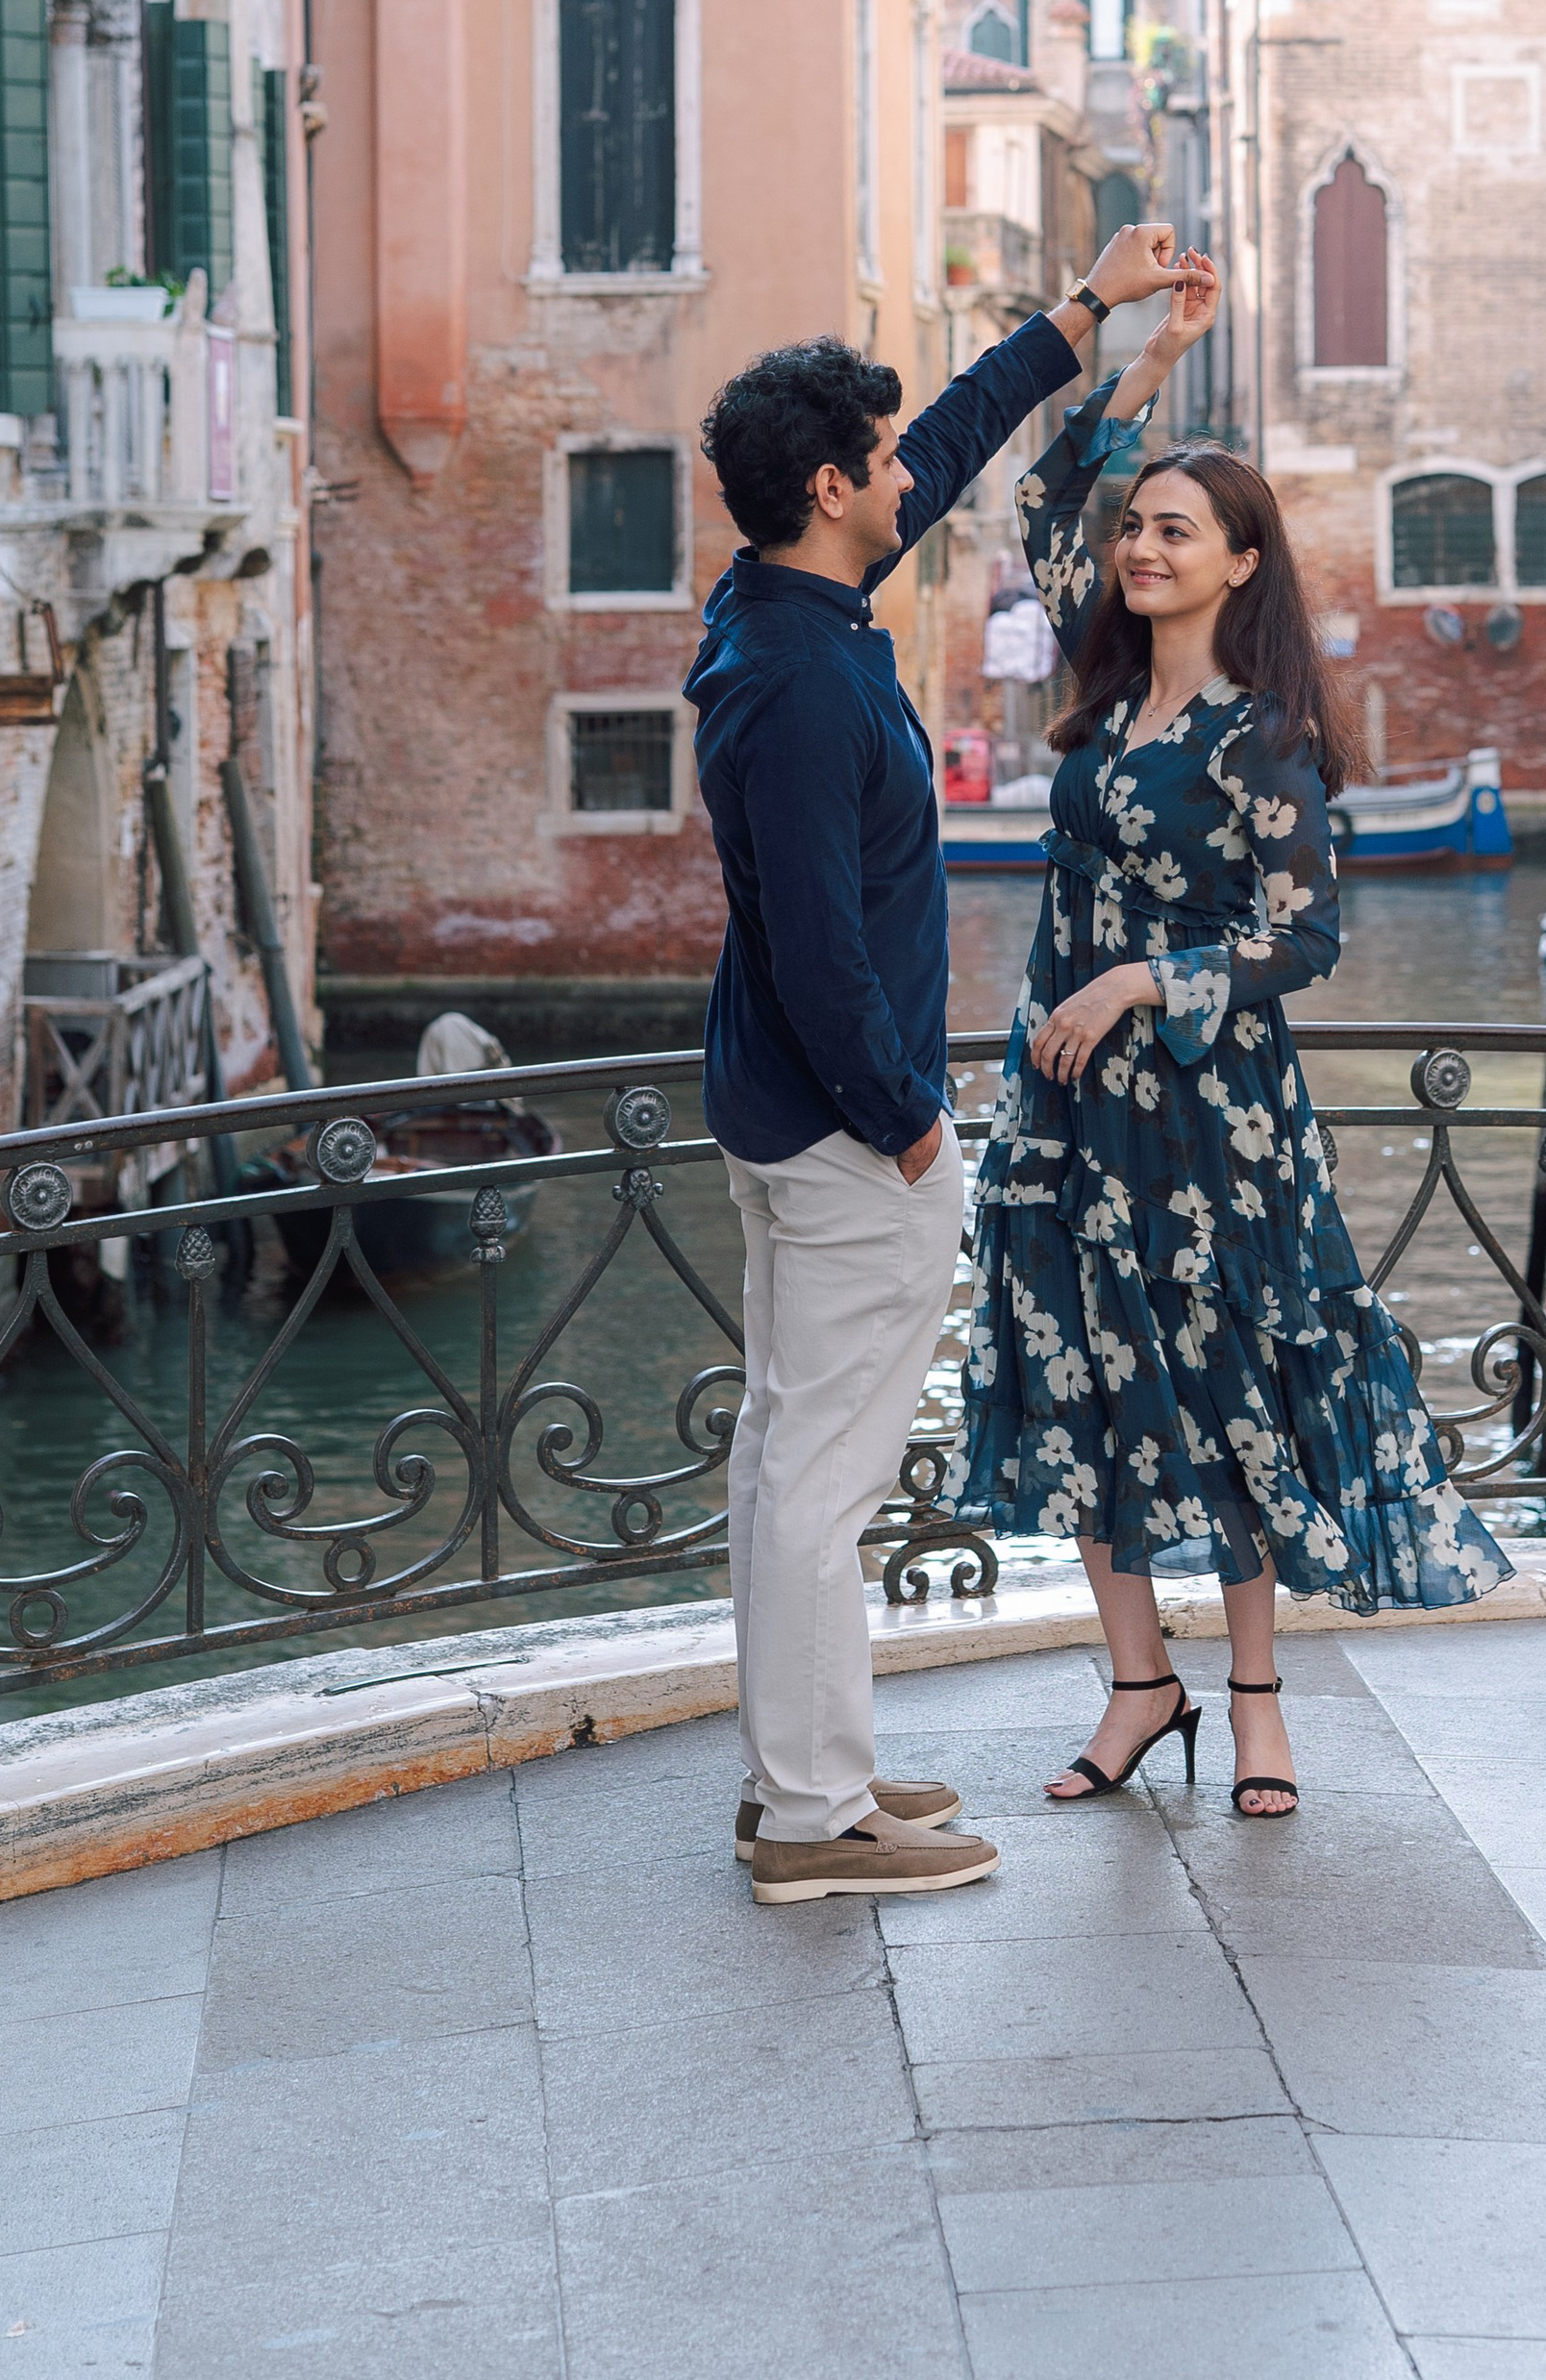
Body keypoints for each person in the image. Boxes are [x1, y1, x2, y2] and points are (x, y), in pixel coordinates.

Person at [951, 250, 1510, 1818]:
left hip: (1211, 1117)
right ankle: (1138, 1690)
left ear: (1242, 566)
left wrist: (1145, 984)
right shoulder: (1102, 685)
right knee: (1080, 1374)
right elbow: (1048, 486)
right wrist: (1147, 356)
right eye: (1138, 530)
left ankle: (1258, 1707)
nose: (1137, 546)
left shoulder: (1262, 743)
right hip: (1064, 1101)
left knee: (1229, 1388)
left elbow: (1303, 939)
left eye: (1175, 531)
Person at [686, 221, 1185, 1906]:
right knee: (820, 1486)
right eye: (881, 457)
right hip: (844, 1136)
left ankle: (804, 1781)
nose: (909, 471)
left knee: (783, 1464)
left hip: (782, 1114)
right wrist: (910, 1128)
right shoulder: (804, 687)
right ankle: (819, 1827)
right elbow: (822, 951)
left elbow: (960, 443)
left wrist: (1087, 313)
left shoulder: (782, 608)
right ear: (832, 487)